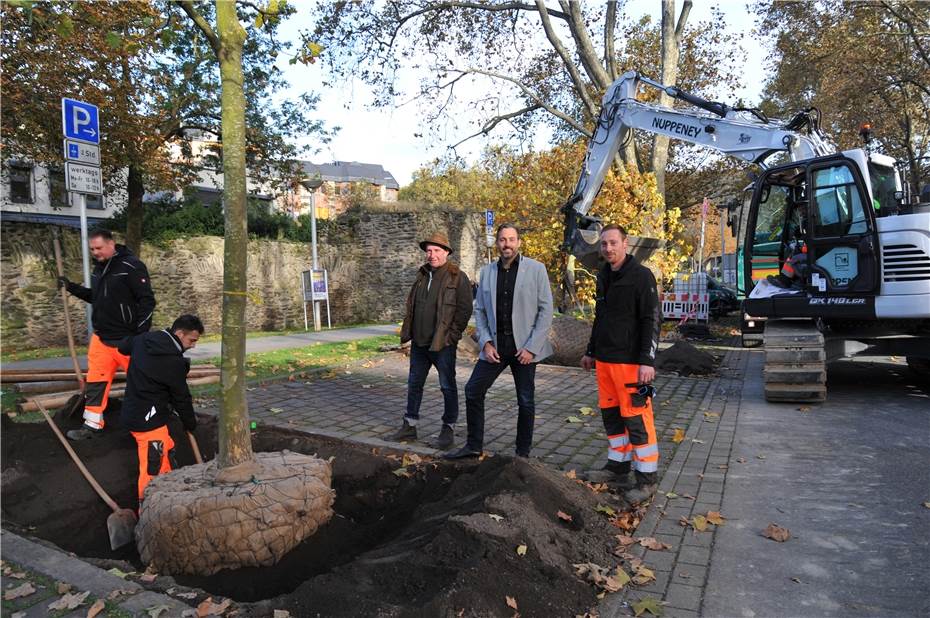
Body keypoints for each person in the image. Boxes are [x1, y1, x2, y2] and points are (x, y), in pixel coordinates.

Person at [444, 224, 553, 459]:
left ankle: (522, 454)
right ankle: (473, 446)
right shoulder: (487, 272)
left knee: (525, 400)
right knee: (473, 390)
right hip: (495, 348)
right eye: (503, 240)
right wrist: (485, 342)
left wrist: (532, 348)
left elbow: (546, 311)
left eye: (512, 239)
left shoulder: (536, 269)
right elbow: (480, 311)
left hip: (524, 349)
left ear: (519, 242)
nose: (507, 244)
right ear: (498, 243)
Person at [580, 225, 661, 503]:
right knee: (612, 417)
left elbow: (651, 319)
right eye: (603, 244)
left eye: (613, 243)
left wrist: (647, 361)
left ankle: (647, 478)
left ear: (625, 244)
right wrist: (591, 351)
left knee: (637, 419)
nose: (608, 248)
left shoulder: (641, 277)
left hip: (630, 365)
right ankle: (617, 467)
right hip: (604, 362)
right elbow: (600, 317)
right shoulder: (603, 275)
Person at [57, 228, 156, 440]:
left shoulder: (131, 266)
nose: (95, 252)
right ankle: (92, 425)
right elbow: (97, 297)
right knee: (95, 383)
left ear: (111, 244)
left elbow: (147, 301)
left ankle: (157, 418)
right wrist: (71, 287)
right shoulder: (99, 269)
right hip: (101, 339)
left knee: (145, 380)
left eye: (99, 248)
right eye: (92, 249)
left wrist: (139, 335)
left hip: (127, 339)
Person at [393, 232, 473, 449]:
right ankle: (409, 426)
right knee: (414, 384)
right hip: (420, 343)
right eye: (429, 250)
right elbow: (413, 305)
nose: (432, 255)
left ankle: (448, 429)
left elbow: (465, 310)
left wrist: (452, 336)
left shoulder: (458, 276)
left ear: (446, 252)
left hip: (442, 344)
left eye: (437, 250)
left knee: (447, 386)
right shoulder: (422, 275)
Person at [118, 314, 202, 502]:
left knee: (166, 447)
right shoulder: (174, 362)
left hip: (134, 411)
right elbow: (181, 398)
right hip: (147, 423)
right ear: (180, 334)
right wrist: (190, 423)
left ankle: (168, 492)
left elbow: (123, 347)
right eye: (192, 340)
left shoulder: (144, 339)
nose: (193, 345)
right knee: (151, 471)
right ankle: (148, 511)